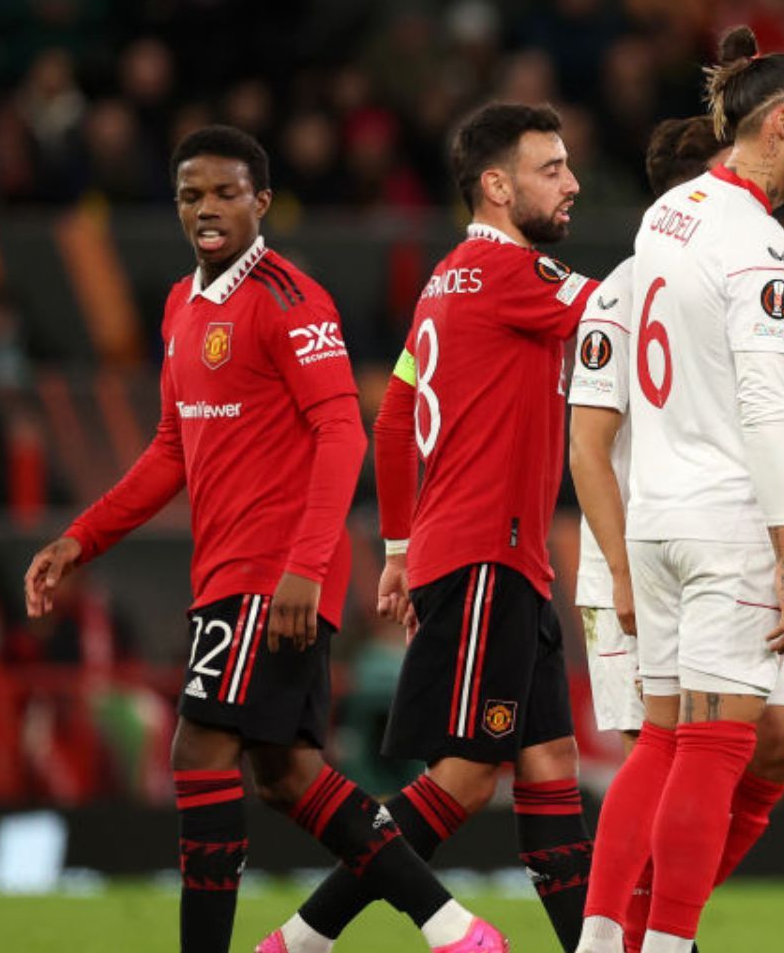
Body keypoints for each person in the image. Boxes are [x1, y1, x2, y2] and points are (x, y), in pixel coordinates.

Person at [23, 126, 504, 953]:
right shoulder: (183, 305)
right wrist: (81, 538)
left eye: (223, 193)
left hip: (274, 567)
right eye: (190, 195)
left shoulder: (291, 299)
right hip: (230, 571)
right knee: (286, 775)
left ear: (262, 201)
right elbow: (173, 447)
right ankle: (455, 930)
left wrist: (302, 570)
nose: (206, 210)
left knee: (198, 749)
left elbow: (341, 434)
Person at [269, 103, 599, 953]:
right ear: (497, 186)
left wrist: (401, 546)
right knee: (464, 774)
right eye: (552, 168)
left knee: (549, 765)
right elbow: (626, 312)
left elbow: (394, 419)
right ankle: (304, 938)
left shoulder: (444, 280)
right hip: (490, 552)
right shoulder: (509, 274)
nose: (572, 184)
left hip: (492, 556)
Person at [577, 25, 784, 953]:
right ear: (778, 127)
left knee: (659, 741)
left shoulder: (667, 215)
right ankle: (668, 943)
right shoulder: (761, 246)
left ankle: (603, 938)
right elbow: (770, 412)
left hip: (652, 514)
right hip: (726, 516)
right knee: (714, 747)